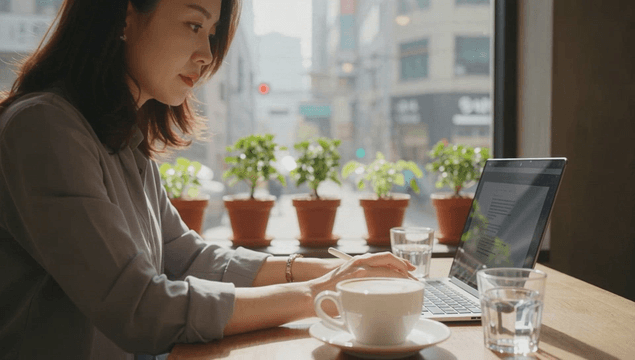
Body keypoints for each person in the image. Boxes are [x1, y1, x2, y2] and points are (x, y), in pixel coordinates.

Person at [0, 0, 417, 359]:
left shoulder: (122, 137)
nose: (206, 54)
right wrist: (318, 295)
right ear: (125, 18)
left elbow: (188, 258)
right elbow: (140, 309)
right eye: (193, 25)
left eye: (212, 32)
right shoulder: (44, 128)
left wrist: (337, 272)